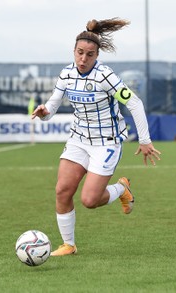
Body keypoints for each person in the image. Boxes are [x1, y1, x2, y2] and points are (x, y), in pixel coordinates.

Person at [31, 18, 161, 256]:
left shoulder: (105, 76)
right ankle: (68, 245)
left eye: (89, 54)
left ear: (97, 55)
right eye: (80, 53)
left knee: (90, 200)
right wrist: (44, 112)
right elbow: (53, 104)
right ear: (74, 51)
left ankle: (122, 189)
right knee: (62, 190)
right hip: (78, 140)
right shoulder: (67, 74)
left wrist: (144, 140)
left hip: (106, 143)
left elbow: (134, 103)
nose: (83, 59)